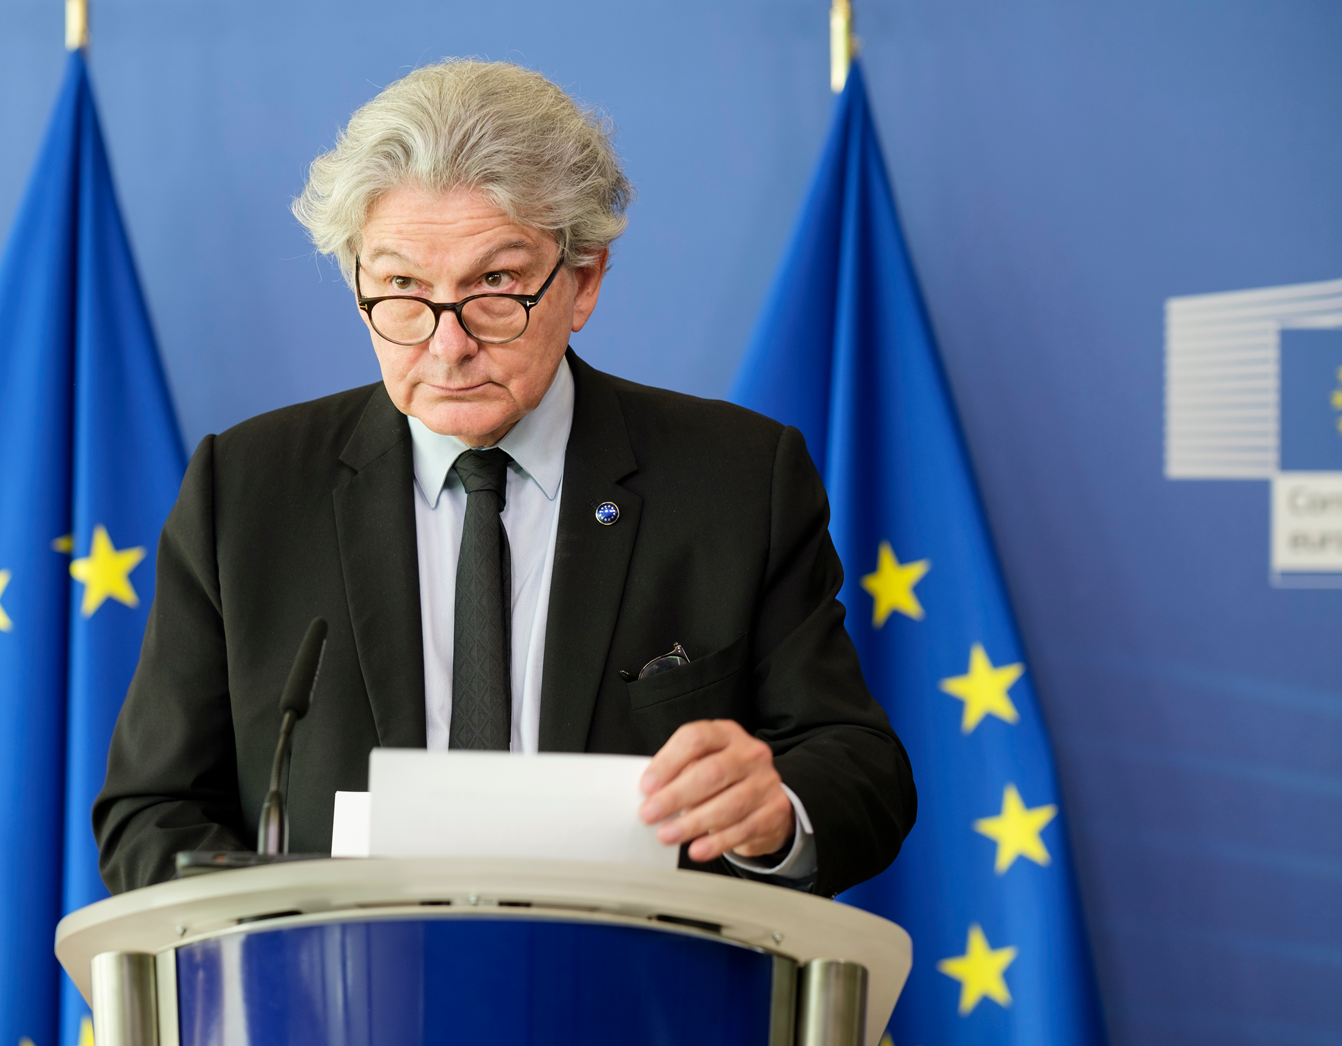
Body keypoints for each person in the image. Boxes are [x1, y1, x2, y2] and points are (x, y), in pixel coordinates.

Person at [94, 59, 914, 898]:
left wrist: (775, 809)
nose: (446, 345)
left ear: (582, 279)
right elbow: (149, 811)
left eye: (494, 285)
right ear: (357, 283)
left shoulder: (736, 479)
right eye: (403, 288)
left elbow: (860, 770)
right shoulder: (246, 490)